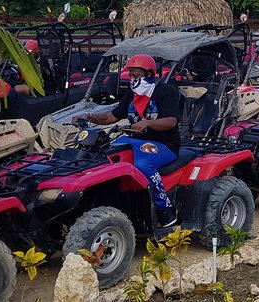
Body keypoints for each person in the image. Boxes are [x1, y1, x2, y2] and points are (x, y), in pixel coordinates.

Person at [72, 54, 181, 227]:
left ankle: (165, 209)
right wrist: (89, 116)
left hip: (164, 144)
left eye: (136, 76)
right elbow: (111, 116)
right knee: (104, 153)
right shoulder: (132, 95)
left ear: (149, 74)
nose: (132, 79)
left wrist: (147, 123)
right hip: (134, 141)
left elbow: (171, 121)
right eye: (130, 76)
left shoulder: (166, 92)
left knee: (143, 164)